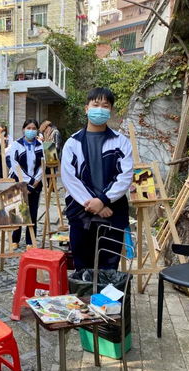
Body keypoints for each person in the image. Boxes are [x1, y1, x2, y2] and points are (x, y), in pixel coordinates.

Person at [61, 87, 133, 271]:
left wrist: (102, 200)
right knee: (82, 264)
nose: (99, 109)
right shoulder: (73, 142)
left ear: (110, 111)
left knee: (109, 266)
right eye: (95, 104)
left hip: (113, 211)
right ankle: (84, 299)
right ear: (87, 108)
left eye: (105, 105)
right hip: (80, 212)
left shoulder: (121, 141)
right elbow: (70, 178)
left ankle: (107, 300)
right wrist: (96, 205)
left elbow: (125, 176)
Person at [8, 119, 43, 248]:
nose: (31, 130)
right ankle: (15, 239)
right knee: (18, 211)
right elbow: (15, 165)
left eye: (34, 128)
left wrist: (34, 183)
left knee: (32, 213)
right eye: (28, 128)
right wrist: (28, 182)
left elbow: (42, 166)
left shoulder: (41, 146)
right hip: (19, 183)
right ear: (23, 129)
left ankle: (30, 240)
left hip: (36, 185)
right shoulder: (16, 145)